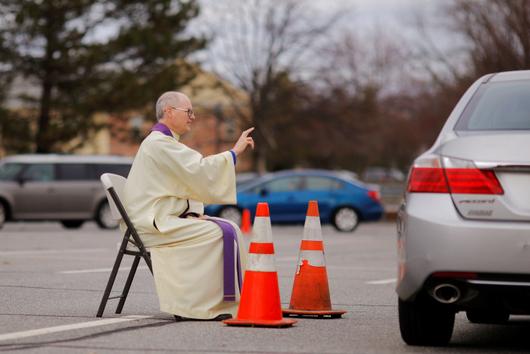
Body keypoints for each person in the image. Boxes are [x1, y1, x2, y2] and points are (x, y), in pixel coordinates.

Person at [123, 91, 255, 321]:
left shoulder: (163, 143)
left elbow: (182, 183)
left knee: (228, 228)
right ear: (169, 111)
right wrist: (234, 153)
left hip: (159, 218)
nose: (193, 117)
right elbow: (199, 170)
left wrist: (191, 213)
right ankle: (196, 304)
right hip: (152, 226)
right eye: (189, 111)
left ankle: (225, 302)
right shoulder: (159, 143)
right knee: (221, 232)